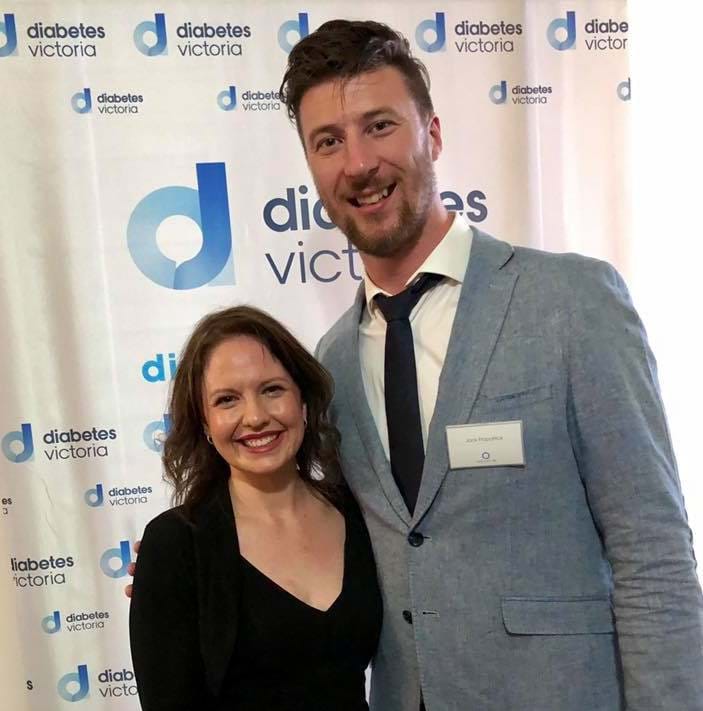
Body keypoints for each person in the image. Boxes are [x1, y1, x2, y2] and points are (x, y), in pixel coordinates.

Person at [129, 19, 703, 711]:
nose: (358, 163)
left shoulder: (570, 301)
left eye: (379, 126)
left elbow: (653, 552)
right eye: (328, 141)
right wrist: (189, 571)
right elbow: (326, 526)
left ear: (432, 133)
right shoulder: (332, 362)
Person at [128, 306, 382, 711]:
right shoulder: (176, 544)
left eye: (272, 390)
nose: (256, 417)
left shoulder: (361, 513)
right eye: (227, 400)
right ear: (205, 423)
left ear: (303, 401)